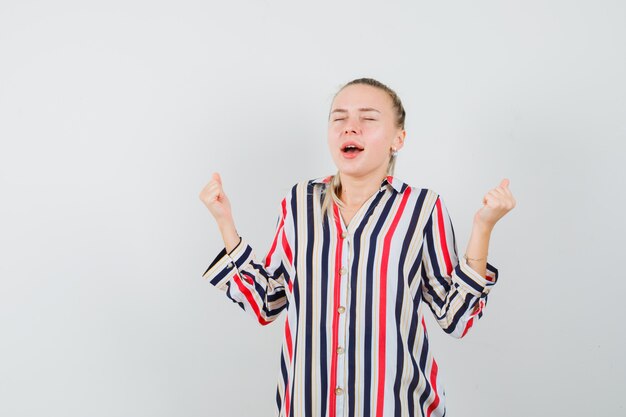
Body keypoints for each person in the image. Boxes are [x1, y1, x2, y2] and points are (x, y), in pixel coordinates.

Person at [199, 78, 516, 417]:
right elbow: (267, 303)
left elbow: (456, 318)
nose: (350, 128)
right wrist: (224, 221)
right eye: (339, 118)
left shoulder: (422, 209)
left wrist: (484, 226)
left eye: (367, 118)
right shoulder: (299, 202)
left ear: (398, 139)